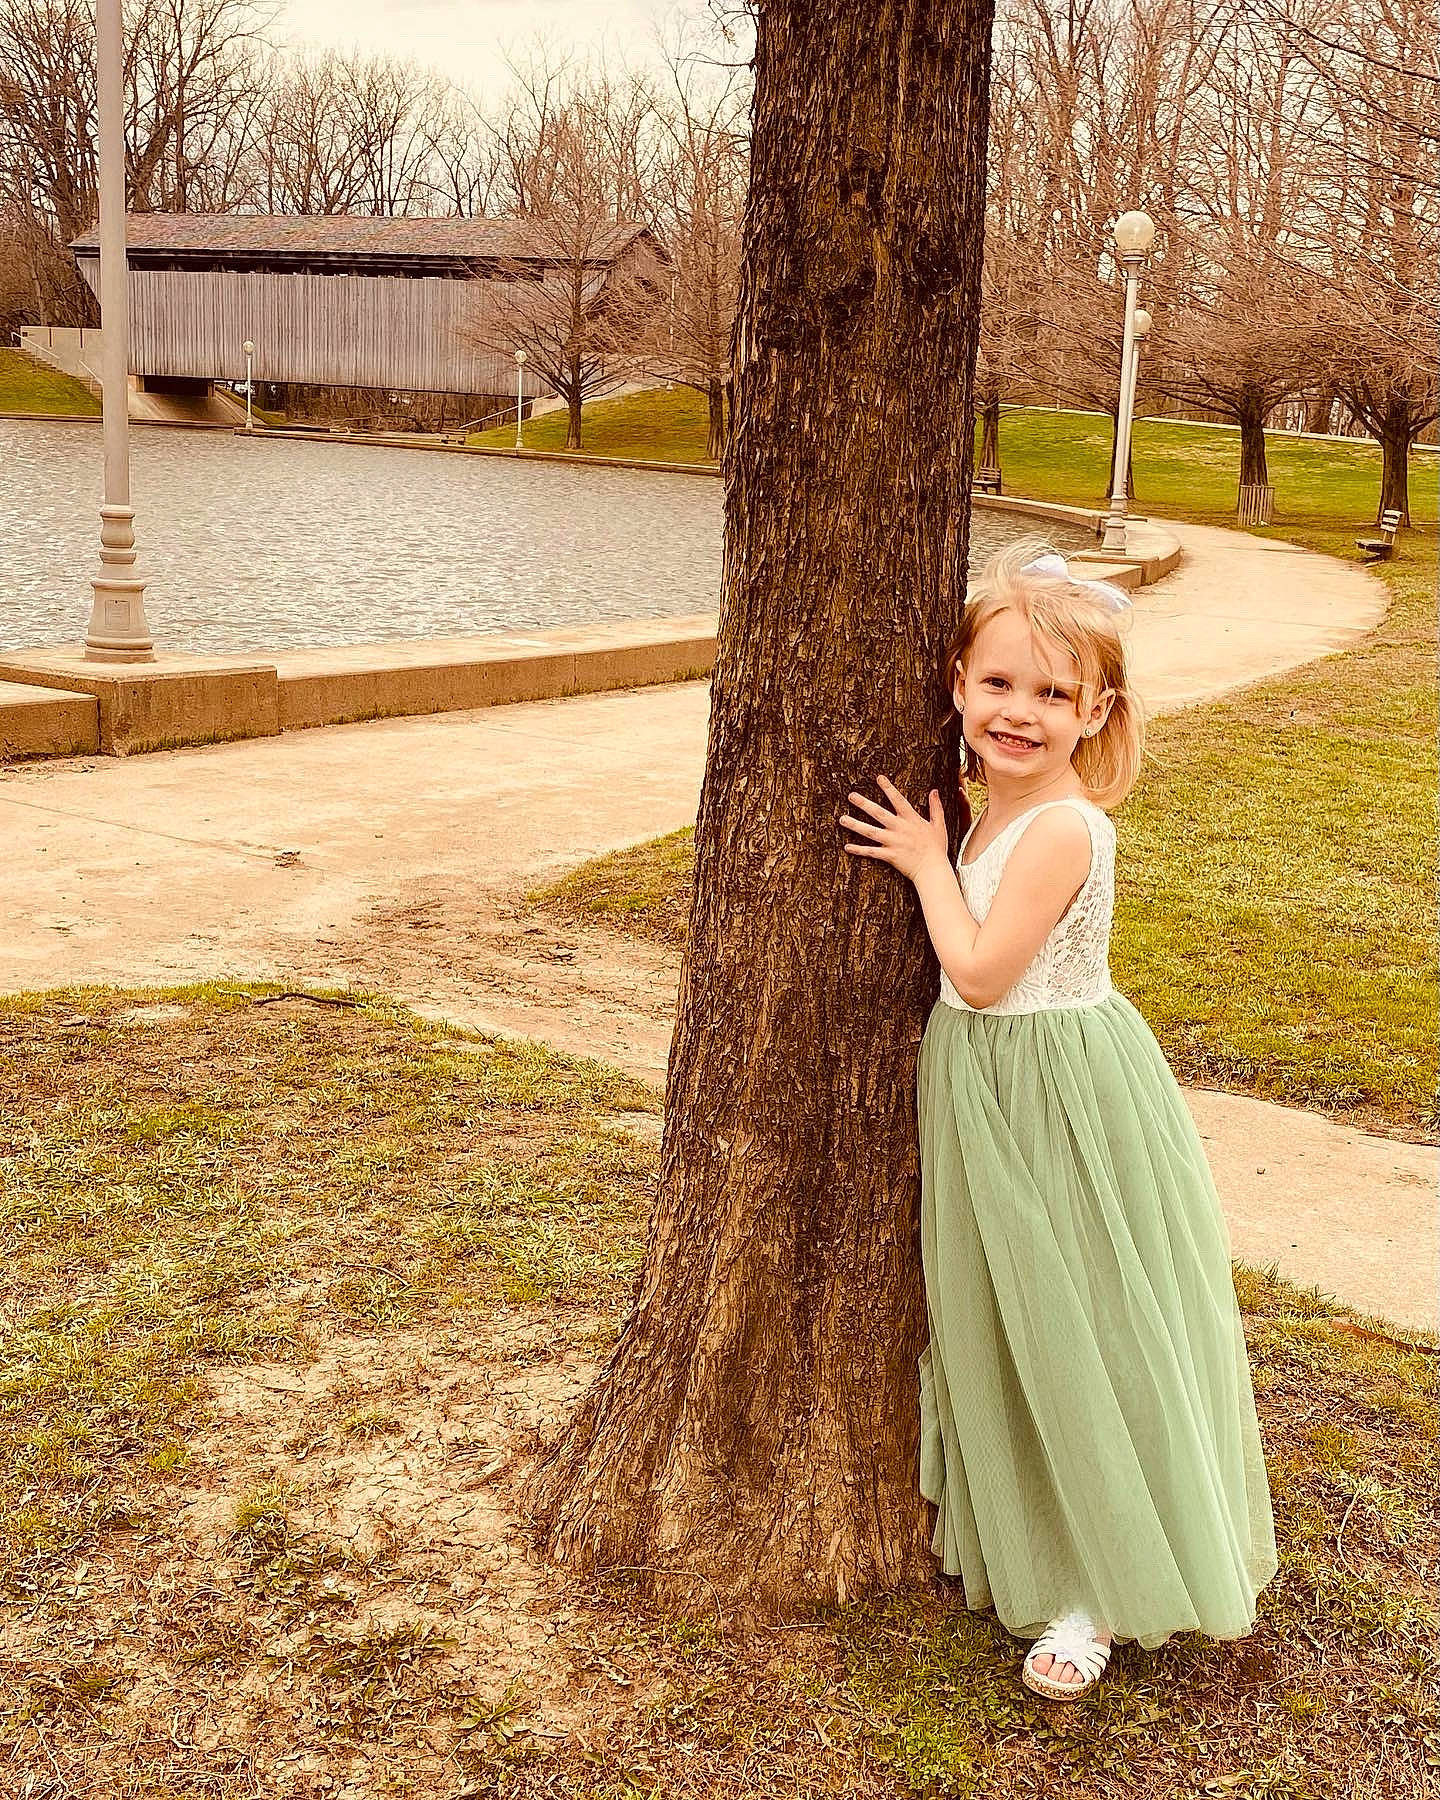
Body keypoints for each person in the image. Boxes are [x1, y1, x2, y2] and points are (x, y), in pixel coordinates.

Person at [839, 540, 1277, 1702]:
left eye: (1050, 693)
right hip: (989, 1086)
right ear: (956, 686)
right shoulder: (994, 810)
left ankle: (1096, 1581)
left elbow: (981, 975)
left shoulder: (1065, 828)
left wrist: (929, 865)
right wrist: (952, 844)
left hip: (1060, 1095)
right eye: (997, 684)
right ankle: (1032, 1517)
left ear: (1098, 712)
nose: (1018, 712)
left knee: (1082, 1321)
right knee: (1007, 1314)